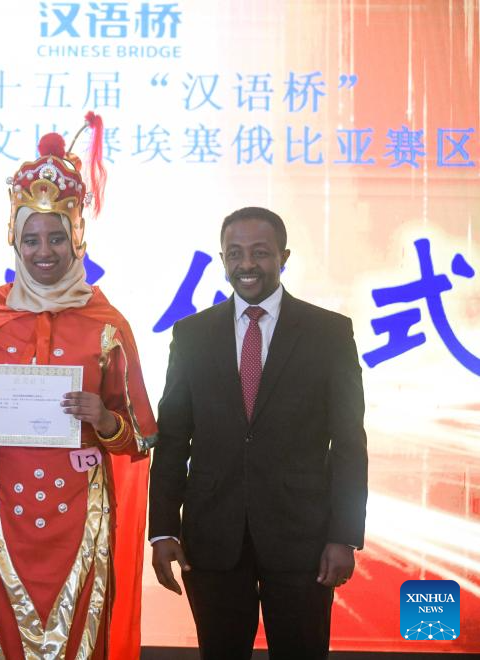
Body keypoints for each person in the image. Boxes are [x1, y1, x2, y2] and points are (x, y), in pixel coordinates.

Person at [0, 114, 158, 660]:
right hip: (0, 508)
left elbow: (141, 436)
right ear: (14, 241)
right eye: (31, 238)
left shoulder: (107, 324)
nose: (45, 251)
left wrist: (103, 419)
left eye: (57, 237)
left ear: (77, 238)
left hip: (79, 511)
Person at [148, 206, 368, 659]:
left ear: (283, 257)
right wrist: (164, 529)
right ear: (222, 259)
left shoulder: (328, 333)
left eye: (260, 252)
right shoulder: (191, 335)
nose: (246, 264)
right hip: (212, 537)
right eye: (235, 253)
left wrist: (344, 535)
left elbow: (349, 442)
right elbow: (172, 439)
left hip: (303, 540)